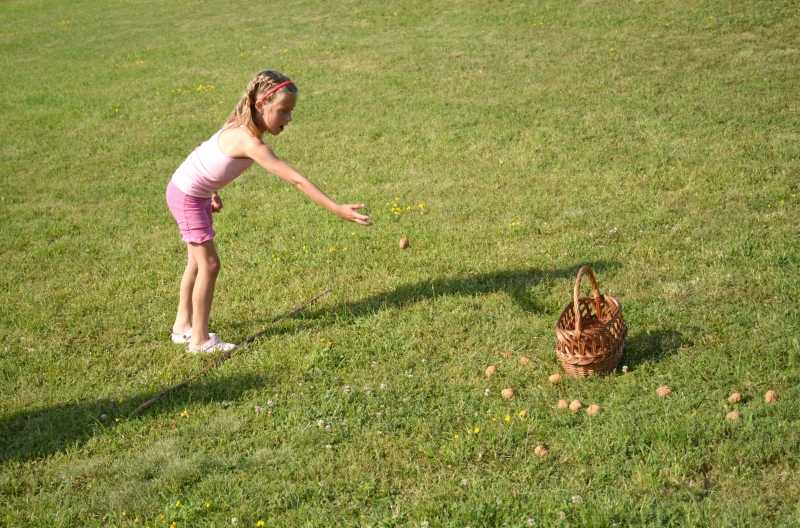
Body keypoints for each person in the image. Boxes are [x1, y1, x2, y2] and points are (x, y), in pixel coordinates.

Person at [166, 69, 371, 353]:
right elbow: (296, 179)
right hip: (188, 196)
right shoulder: (251, 143)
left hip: (189, 190)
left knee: (197, 263)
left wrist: (211, 191)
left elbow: (206, 158)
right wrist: (337, 209)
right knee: (209, 265)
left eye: (291, 111)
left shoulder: (237, 123)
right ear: (260, 104)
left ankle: (182, 327)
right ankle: (199, 341)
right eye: (283, 111)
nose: (289, 118)